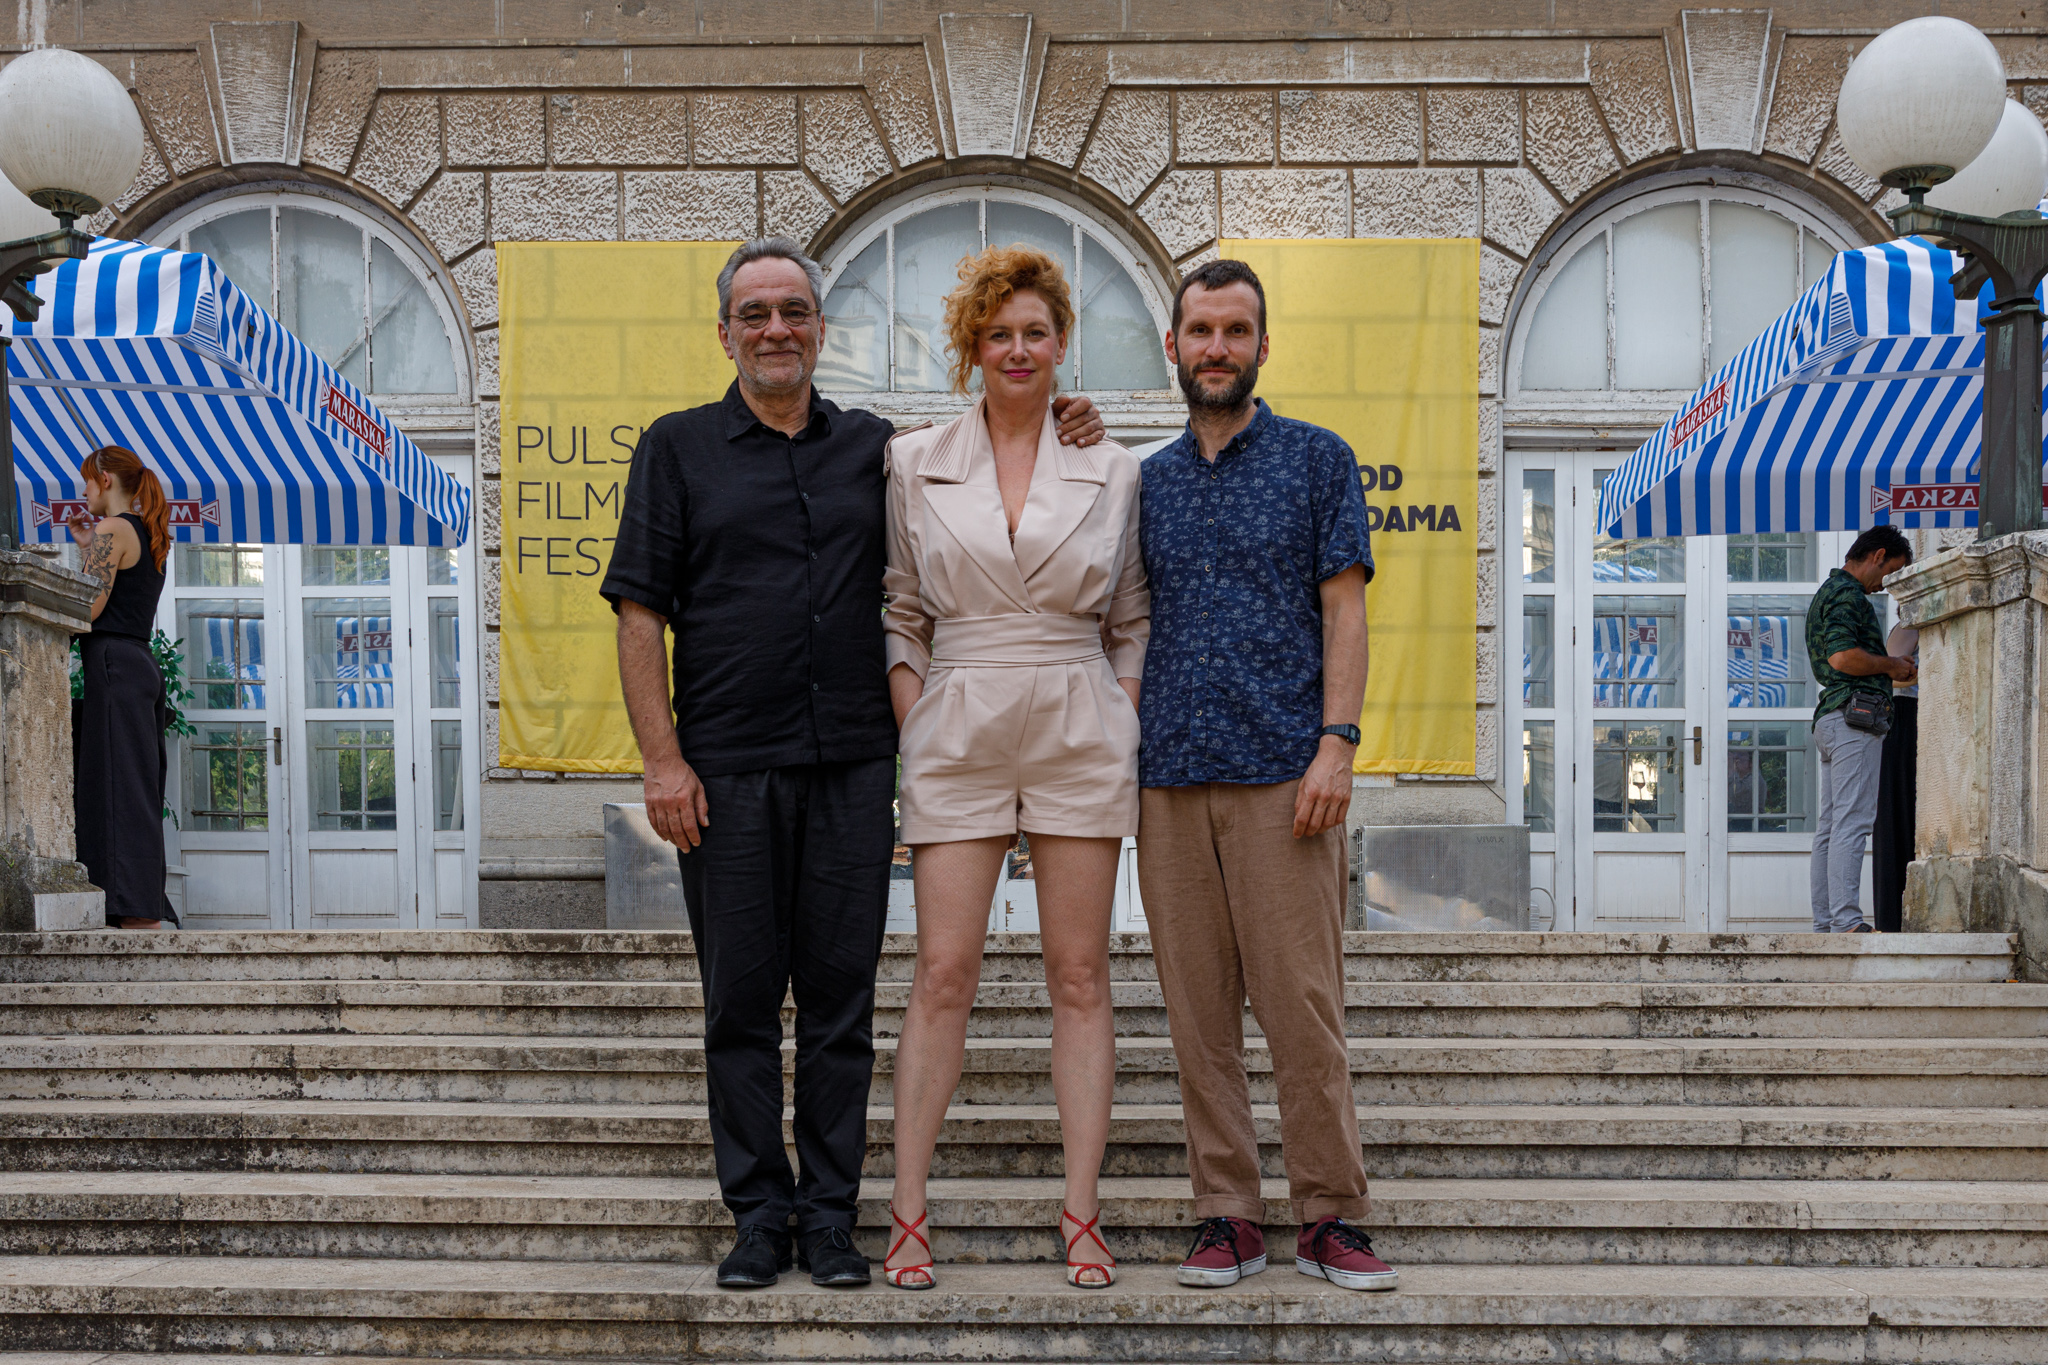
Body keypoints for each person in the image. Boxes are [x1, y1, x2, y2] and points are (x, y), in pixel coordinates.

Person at [600, 238, 1103, 1291]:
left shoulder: (879, 450)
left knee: (840, 1007)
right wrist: (661, 760)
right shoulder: (676, 448)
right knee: (739, 1006)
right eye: (754, 314)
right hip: (725, 771)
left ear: (821, 329)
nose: (775, 329)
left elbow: (988, 459)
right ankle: (758, 1216)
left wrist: (1066, 419)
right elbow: (639, 612)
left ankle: (830, 1217)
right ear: (725, 333)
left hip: (853, 769)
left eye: (793, 311)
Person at [879, 244, 1147, 1292]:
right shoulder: (912, 461)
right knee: (941, 973)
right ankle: (908, 1211)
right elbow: (901, 606)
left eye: (1036, 332)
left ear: (1061, 341)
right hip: (959, 713)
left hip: (1078, 713)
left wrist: (1118, 713)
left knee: (1079, 976)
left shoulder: (1113, 466)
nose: (1018, 349)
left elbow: (1130, 615)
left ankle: (1082, 1212)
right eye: (999, 333)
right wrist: (918, 718)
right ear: (971, 347)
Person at [1135, 259, 1395, 1293]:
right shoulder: (1143, 482)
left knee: (1301, 1011)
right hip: (1167, 778)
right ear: (1172, 346)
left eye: (1235, 330)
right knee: (1197, 1019)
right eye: (1200, 330)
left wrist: (1337, 742)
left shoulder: (1316, 460)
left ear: (1261, 345)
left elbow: (1345, 610)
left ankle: (1330, 1214)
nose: (1216, 348)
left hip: (1286, 777)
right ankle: (1227, 1214)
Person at [67, 445, 178, 931]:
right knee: (135, 787)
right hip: (137, 665)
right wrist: (86, 548)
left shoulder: (113, 529)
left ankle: (133, 910)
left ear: (106, 479)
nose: (84, 490)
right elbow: (118, 599)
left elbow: (87, 608)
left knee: (116, 787)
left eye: (87, 480)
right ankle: (138, 906)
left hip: (115, 665)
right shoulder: (145, 531)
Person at [1805, 526, 1915, 935]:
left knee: (1831, 826)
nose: (1886, 583)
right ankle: (1847, 922)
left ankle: (1827, 923)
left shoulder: (1829, 591)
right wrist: (1891, 665)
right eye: (1890, 571)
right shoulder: (1848, 594)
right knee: (1852, 822)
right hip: (1855, 718)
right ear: (1877, 555)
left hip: (1834, 718)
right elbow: (1843, 657)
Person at [1871, 617, 1920, 933]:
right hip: (1903, 718)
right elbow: (1889, 677)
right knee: (1893, 819)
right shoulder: (1909, 626)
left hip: (1916, 718)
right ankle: (1890, 920)